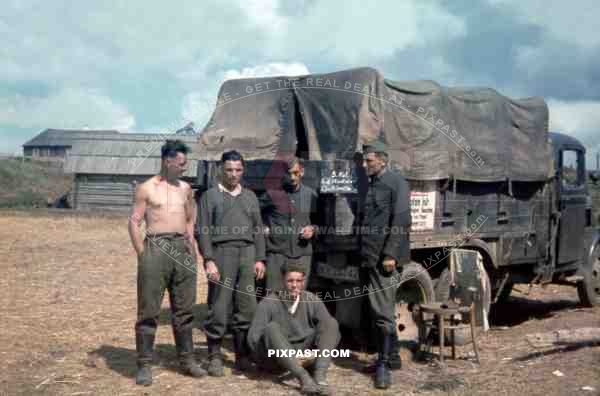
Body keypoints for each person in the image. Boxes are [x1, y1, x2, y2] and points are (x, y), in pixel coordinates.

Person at [128, 139, 206, 386]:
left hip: (182, 249)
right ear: (167, 161)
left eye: (186, 163)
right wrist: (143, 253)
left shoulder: (185, 189)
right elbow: (133, 222)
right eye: (181, 163)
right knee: (149, 310)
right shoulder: (146, 188)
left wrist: (191, 246)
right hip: (156, 248)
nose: (185, 167)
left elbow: (191, 218)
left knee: (184, 309)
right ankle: (144, 364)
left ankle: (187, 360)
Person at [196, 150, 266, 376]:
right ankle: (214, 356)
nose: (233, 174)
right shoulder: (210, 196)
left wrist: (259, 258)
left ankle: (242, 356)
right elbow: (203, 230)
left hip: (247, 253)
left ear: (243, 171)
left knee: (247, 306)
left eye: (238, 170)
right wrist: (208, 259)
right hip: (222, 253)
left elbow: (258, 229)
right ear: (220, 170)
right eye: (229, 170)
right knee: (219, 305)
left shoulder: (250, 196)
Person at [359, 140, 411, 389]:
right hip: (370, 256)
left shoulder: (396, 183)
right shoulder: (372, 184)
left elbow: (401, 221)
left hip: (384, 259)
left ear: (382, 159)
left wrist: (390, 254)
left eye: (368, 160)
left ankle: (383, 366)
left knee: (381, 313)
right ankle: (392, 357)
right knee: (378, 309)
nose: (364, 164)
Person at [248, 262, 340, 396]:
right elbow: (253, 340)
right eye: (290, 281)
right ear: (282, 281)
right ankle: (304, 378)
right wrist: (283, 355)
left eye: (298, 281)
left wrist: (314, 353)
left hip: (303, 355)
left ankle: (320, 376)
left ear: (303, 282)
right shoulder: (268, 303)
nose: (294, 285)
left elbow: (330, 332)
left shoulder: (311, 299)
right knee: (271, 328)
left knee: (331, 323)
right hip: (276, 358)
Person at [262, 157, 318, 294]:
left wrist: (313, 229)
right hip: (277, 253)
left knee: (297, 295)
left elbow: (320, 222)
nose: (292, 178)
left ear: (302, 172)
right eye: (288, 173)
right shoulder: (272, 194)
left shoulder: (311, 195)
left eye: (296, 173)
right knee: (274, 296)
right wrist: (263, 226)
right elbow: (254, 213)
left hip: (301, 254)